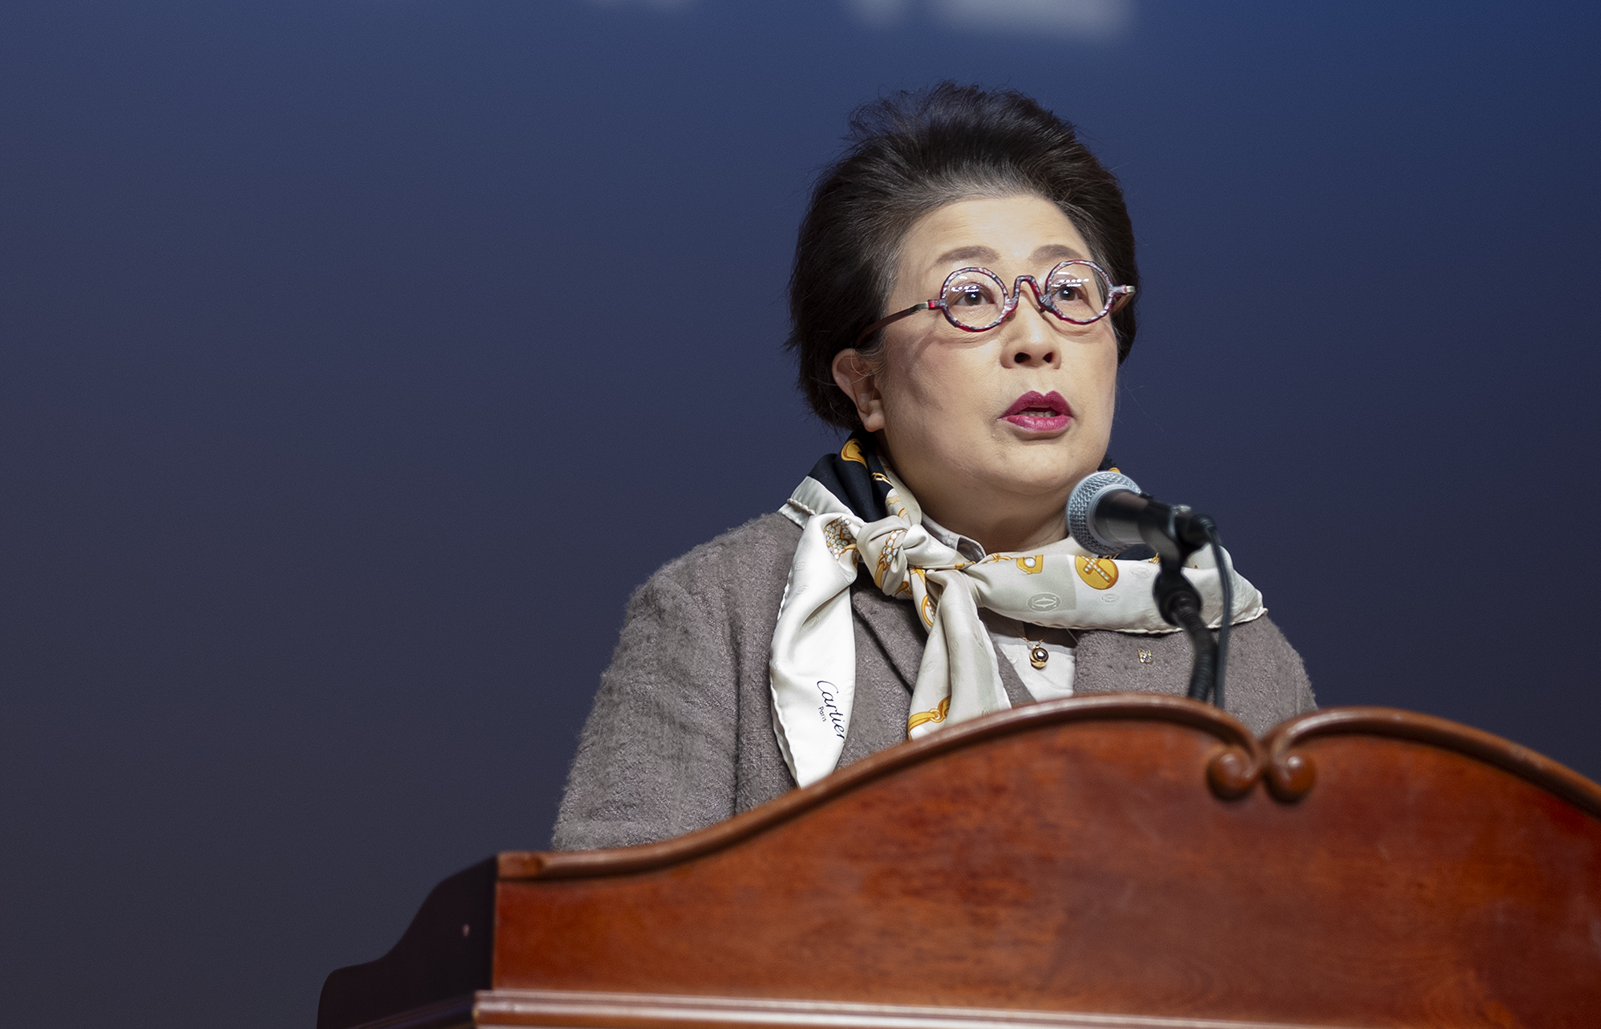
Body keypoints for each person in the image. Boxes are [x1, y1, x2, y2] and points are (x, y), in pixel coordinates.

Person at [552, 83, 1316, 851]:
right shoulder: (723, 616)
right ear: (867, 386)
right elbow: (612, 916)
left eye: (1068, 291)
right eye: (971, 296)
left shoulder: (1221, 634)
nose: (1036, 340)